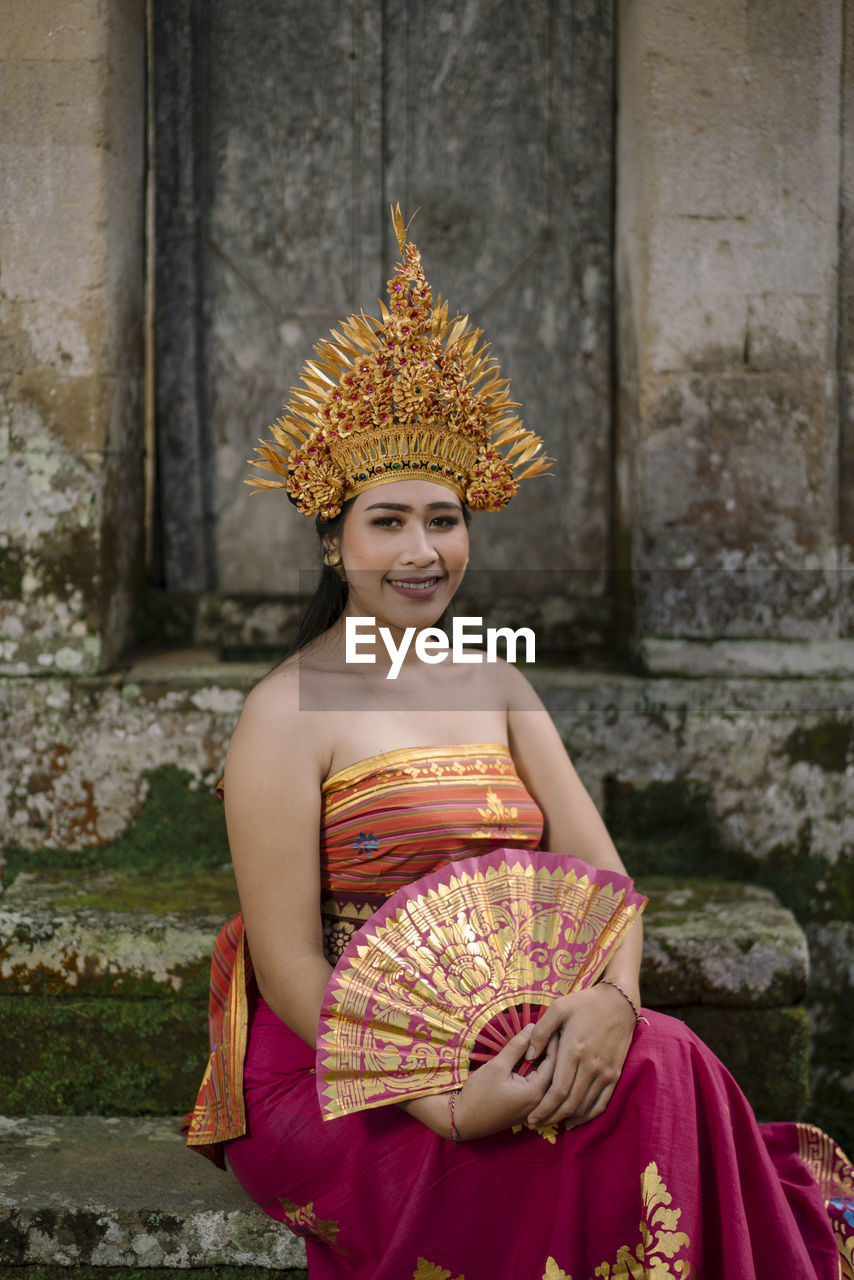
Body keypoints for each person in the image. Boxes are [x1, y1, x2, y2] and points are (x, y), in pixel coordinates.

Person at [184, 208, 853, 1279]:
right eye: (387, 521)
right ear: (332, 538)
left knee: (658, 1051)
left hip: (511, 1021)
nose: (420, 550)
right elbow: (292, 969)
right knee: (590, 1118)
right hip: (346, 1067)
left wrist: (608, 1000)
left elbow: (606, 883)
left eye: (442, 519)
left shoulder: (496, 678)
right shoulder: (283, 711)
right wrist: (441, 1097)